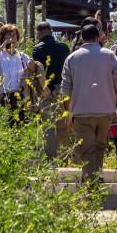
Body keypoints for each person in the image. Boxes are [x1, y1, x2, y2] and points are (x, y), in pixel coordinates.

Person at [60, 23, 117, 182]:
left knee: (87, 149)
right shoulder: (109, 55)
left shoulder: (72, 58)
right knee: (100, 146)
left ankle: (90, 181)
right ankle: (96, 176)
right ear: (97, 37)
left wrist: (68, 113)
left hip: (81, 111)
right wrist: (115, 105)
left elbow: (65, 89)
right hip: (106, 110)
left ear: (81, 38)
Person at [32, 21, 71, 158]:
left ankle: (51, 158)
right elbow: (67, 70)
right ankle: (65, 157)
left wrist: (48, 87)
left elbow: (39, 71)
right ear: (51, 30)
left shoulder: (37, 49)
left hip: (46, 90)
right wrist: (59, 86)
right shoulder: (64, 47)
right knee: (63, 126)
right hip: (62, 90)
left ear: (39, 32)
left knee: (49, 126)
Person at [0, 24, 34, 116]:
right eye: (9, 34)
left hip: (19, 97)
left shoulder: (22, 56)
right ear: (3, 37)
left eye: (14, 35)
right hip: (1, 97)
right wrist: (2, 46)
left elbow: (33, 68)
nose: (12, 37)